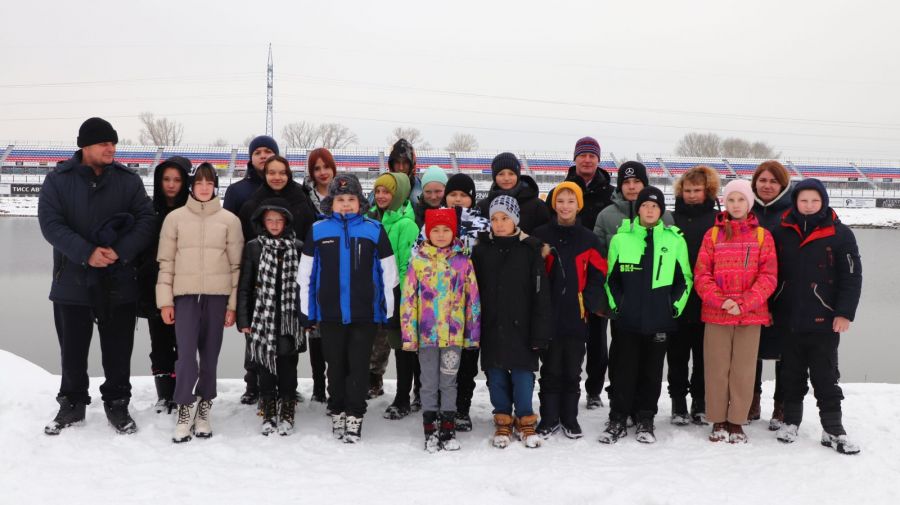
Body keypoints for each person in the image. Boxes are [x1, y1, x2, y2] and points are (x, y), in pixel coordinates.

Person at [39, 117, 156, 436]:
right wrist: (86, 252)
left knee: (118, 348)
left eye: (113, 143)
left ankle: (117, 402)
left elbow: (147, 220)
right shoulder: (58, 181)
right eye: (104, 143)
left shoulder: (128, 181)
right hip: (71, 279)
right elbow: (50, 224)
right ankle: (72, 402)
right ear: (85, 146)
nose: (111, 148)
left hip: (119, 279)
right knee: (72, 350)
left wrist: (119, 251)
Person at [298, 174, 399, 444]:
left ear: (360, 202)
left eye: (351, 199)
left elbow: (389, 274)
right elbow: (306, 275)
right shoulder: (318, 230)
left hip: (364, 315)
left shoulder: (374, 230)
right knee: (335, 365)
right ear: (331, 202)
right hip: (330, 315)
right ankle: (337, 409)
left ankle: (355, 413)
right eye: (340, 199)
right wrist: (306, 312)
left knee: (358, 366)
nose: (345, 204)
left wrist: (390, 313)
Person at [772, 179, 863, 455]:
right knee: (791, 375)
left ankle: (833, 429)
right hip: (789, 319)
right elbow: (770, 273)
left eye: (815, 200)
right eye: (804, 200)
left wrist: (844, 313)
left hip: (825, 320)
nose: (809, 205)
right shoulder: (781, 231)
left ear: (823, 201)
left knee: (825, 377)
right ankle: (791, 422)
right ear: (795, 202)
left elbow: (852, 277)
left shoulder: (840, 234)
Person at [156, 163, 244, 443]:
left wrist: (232, 306)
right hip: (185, 297)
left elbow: (236, 266)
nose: (204, 188)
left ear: (215, 186)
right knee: (185, 356)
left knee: (209, 356)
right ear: (192, 186)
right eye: (199, 183)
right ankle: (185, 407)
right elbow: (166, 262)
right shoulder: (175, 219)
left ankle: (204, 406)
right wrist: (165, 301)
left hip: (217, 297)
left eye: (209, 183)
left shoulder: (230, 220)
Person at [599, 186, 692, 444]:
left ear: (661, 211)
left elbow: (684, 279)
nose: (649, 210)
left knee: (652, 374)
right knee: (624, 371)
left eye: (654, 206)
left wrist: (673, 307)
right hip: (627, 321)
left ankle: (645, 419)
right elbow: (611, 279)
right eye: (645, 205)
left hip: (659, 320)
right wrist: (619, 306)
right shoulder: (621, 239)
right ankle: (618, 418)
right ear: (638, 209)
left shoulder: (674, 240)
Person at [694, 179, 777, 444]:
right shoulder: (712, 235)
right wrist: (722, 301)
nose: (736, 204)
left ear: (749, 203)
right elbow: (701, 274)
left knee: (743, 370)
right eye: (731, 200)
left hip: (750, 314)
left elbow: (768, 277)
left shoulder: (762, 236)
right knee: (717, 368)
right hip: (717, 313)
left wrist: (743, 303)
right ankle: (718, 418)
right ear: (725, 203)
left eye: (741, 199)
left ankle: (737, 420)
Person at [591, 161, 673, 412]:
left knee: (650, 359)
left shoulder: (664, 216)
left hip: (653, 303)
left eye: (637, 181)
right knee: (621, 354)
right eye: (626, 182)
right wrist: (608, 298)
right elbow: (599, 259)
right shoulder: (606, 215)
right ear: (620, 186)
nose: (632, 186)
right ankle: (619, 401)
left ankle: (642, 407)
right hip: (621, 300)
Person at [472, 195, 552, 449]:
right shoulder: (481, 250)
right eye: (494, 218)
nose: (499, 223)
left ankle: (526, 419)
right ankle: (503, 418)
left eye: (505, 218)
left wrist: (540, 332)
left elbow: (541, 295)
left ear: (515, 220)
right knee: (495, 375)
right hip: (492, 325)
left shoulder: (530, 250)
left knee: (523, 376)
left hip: (523, 326)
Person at [401, 208, 481, 452]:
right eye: (435, 230)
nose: (441, 234)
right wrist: (409, 336)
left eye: (446, 230)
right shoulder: (418, 262)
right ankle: (430, 428)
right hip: (427, 336)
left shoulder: (463, 262)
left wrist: (472, 334)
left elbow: (473, 300)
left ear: (453, 232)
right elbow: (408, 300)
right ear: (428, 233)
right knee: (428, 382)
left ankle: (448, 427)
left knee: (449, 382)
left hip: (453, 337)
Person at [532, 181, 607, 440]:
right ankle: (549, 417)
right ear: (554, 205)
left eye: (571, 201)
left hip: (576, 315)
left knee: (572, 369)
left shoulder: (589, 239)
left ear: (578, 205)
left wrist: (589, 301)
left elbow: (599, 273)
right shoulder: (540, 235)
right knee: (550, 369)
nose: (565, 206)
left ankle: (570, 417)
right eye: (561, 201)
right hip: (547, 315)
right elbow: (531, 273)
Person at [545, 137, 614, 412]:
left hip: (595, 274)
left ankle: (594, 390)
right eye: (582, 155)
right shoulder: (560, 190)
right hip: (567, 278)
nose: (587, 160)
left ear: (598, 160)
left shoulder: (610, 193)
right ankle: (560, 388)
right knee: (564, 342)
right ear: (575, 159)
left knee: (597, 341)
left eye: (592, 156)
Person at [237, 200, 305, 436]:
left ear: (286, 222)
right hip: (262, 316)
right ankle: (268, 407)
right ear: (262, 223)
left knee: (288, 365)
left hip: (289, 318)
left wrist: (306, 318)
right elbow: (245, 286)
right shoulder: (254, 247)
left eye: (279, 220)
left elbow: (305, 286)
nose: (274, 225)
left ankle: (287, 406)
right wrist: (243, 319)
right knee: (264, 365)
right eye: (269, 220)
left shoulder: (298, 247)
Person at [223, 134, 279, 405]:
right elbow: (227, 230)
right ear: (251, 157)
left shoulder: (285, 186)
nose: (263, 155)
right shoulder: (237, 191)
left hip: (282, 267)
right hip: (250, 267)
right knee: (253, 328)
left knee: (281, 328)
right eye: (258, 152)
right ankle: (253, 382)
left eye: (269, 151)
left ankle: (281, 382)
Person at [365, 172, 422, 418]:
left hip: (397, 293)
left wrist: (403, 300)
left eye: (386, 192)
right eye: (377, 191)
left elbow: (406, 266)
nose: (380, 196)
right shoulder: (370, 220)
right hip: (373, 293)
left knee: (402, 348)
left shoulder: (406, 224)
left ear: (398, 194)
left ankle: (403, 398)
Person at [137, 155, 191, 414]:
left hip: (185, 286)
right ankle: (164, 394)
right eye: (166, 179)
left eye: (177, 180)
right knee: (159, 342)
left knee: (184, 342)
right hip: (154, 288)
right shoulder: (148, 211)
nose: (171, 185)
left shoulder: (191, 212)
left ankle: (182, 391)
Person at [668, 165, 719, 425]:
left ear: (707, 191)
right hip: (677, 295)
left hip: (706, 297)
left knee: (703, 355)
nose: (691, 195)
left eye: (697, 190)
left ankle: (700, 400)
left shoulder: (717, 219)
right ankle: (678, 402)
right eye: (687, 190)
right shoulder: (671, 218)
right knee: (677, 355)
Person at [750, 160, 793, 427]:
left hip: (785, 290)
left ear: (783, 185)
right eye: (763, 180)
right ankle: (751, 401)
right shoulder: (745, 208)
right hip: (750, 290)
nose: (767, 186)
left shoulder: (792, 211)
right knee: (750, 348)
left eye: (773, 181)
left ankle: (781, 405)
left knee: (785, 352)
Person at [300, 148, 336, 403]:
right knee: (315, 329)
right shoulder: (304, 196)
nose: (322, 172)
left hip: (339, 266)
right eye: (317, 168)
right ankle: (318, 385)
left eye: (326, 167)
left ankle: (335, 383)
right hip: (314, 266)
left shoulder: (344, 192)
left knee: (334, 328)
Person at [238, 155, 317, 243]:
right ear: (265, 175)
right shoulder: (251, 205)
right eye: (272, 173)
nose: (277, 177)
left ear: (288, 175)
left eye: (282, 173)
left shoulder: (301, 201)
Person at [476, 152, 550, 233]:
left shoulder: (537, 206)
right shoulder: (482, 206)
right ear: (494, 177)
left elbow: (545, 234)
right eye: (501, 174)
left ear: (517, 175)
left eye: (511, 174)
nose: (506, 178)